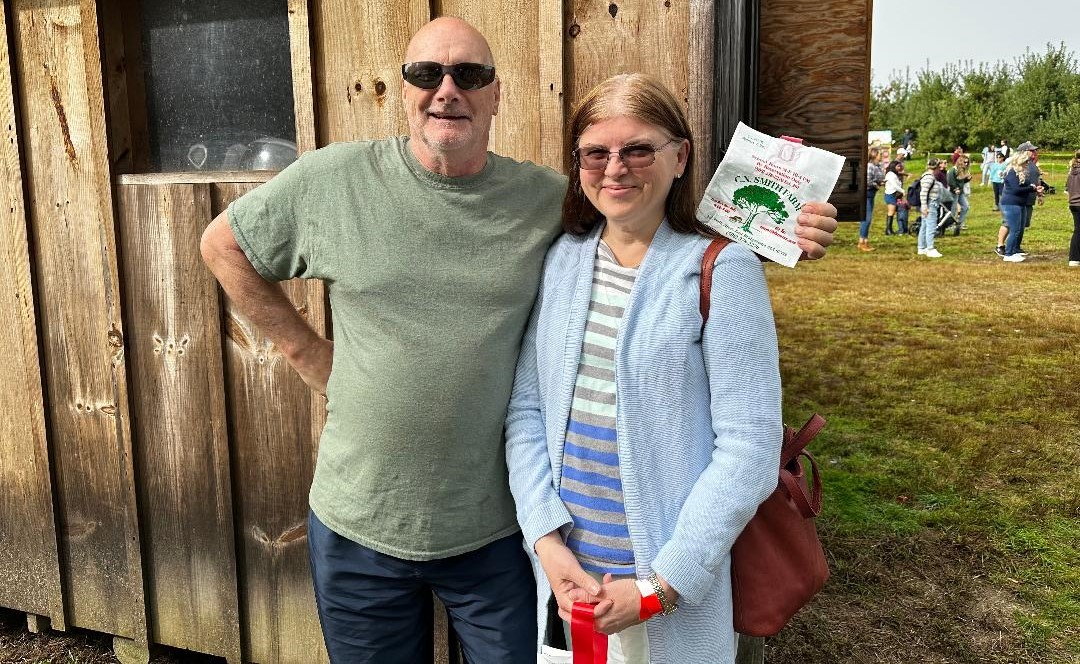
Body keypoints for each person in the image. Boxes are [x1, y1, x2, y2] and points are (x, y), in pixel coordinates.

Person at [198, 17, 839, 663]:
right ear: (403, 90)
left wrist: (771, 232)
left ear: (496, 94)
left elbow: (640, 222)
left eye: (469, 75)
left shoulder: (544, 203)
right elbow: (222, 244)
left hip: (498, 533)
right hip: (358, 522)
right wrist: (306, 352)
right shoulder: (333, 180)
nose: (447, 90)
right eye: (427, 73)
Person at [506, 72, 783, 664]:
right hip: (568, 589)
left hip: (668, 599)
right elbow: (527, 410)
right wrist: (548, 547)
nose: (615, 168)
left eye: (638, 149)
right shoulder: (563, 261)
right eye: (595, 153)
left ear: (680, 157)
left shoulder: (722, 270)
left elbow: (750, 448)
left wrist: (661, 587)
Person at [998, 150, 1042, 263]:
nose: (1028, 163)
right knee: (1015, 229)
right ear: (1019, 161)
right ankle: (1008, 253)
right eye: (1025, 162)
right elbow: (1016, 189)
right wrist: (1031, 188)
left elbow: (1024, 184)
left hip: (1020, 203)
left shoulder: (1021, 172)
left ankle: (1014, 250)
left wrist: (1035, 187)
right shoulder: (1012, 172)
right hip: (1011, 203)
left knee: (1020, 228)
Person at [917, 159, 946, 258]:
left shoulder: (928, 176)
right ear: (936, 167)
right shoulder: (929, 177)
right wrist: (924, 206)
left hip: (929, 204)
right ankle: (930, 248)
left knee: (924, 226)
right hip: (930, 204)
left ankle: (921, 247)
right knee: (931, 226)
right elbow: (923, 193)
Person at [861, 147, 885, 251]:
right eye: (879, 154)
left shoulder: (877, 166)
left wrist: (881, 182)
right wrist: (877, 185)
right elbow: (867, 181)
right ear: (874, 155)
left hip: (872, 194)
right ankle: (862, 241)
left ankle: (865, 240)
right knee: (866, 218)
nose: (881, 156)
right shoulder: (870, 166)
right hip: (867, 193)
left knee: (868, 218)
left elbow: (880, 177)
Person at [946, 154, 972, 232]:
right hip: (953, 192)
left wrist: (967, 179)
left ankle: (959, 223)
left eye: (967, 162)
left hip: (960, 192)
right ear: (960, 162)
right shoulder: (953, 170)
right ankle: (949, 225)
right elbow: (950, 181)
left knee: (966, 206)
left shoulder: (962, 170)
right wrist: (955, 189)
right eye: (965, 162)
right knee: (952, 210)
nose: (966, 164)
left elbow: (961, 181)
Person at [883, 159, 906, 235]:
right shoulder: (890, 174)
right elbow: (895, 185)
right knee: (891, 212)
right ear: (893, 166)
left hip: (894, 194)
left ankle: (889, 229)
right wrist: (902, 191)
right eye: (898, 166)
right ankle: (888, 230)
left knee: (892, 212)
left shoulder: (894, 174)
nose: (899, 167)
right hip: (890, 194)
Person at [1066, 149, 1080, 267]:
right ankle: (1074, 258)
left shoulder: (1072, 171)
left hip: (1073, 204)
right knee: (1078, 231)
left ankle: (1075, 258)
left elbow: (1067, 188)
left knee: (1078, 230)